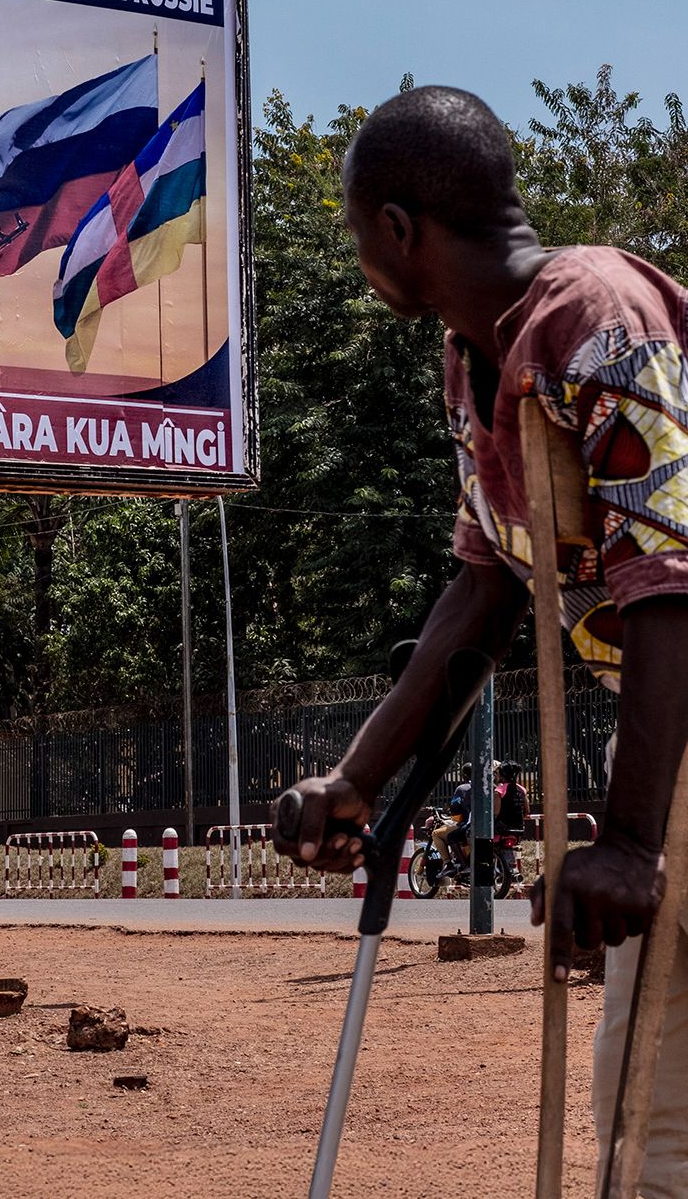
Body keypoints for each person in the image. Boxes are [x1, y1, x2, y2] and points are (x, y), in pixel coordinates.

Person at [271, 85, 688, 1198]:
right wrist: (356, 780)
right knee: (643, 1126)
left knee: (659, 1120)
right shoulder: (474, 356)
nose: (361, 256)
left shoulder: (595, 318)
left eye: (358, 232)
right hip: (678, 756)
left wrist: (633, 841)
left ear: (397, 228)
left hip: (678, 768)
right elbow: (487, 583)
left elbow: (672, 582)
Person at [432, 762, 473, 877]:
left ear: (464, 775)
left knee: (437, 834)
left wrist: (448, 815)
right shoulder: (488, 787)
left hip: (467, 824)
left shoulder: (462, 788)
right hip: (489, 825)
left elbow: (455, 809)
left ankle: (449, 864)